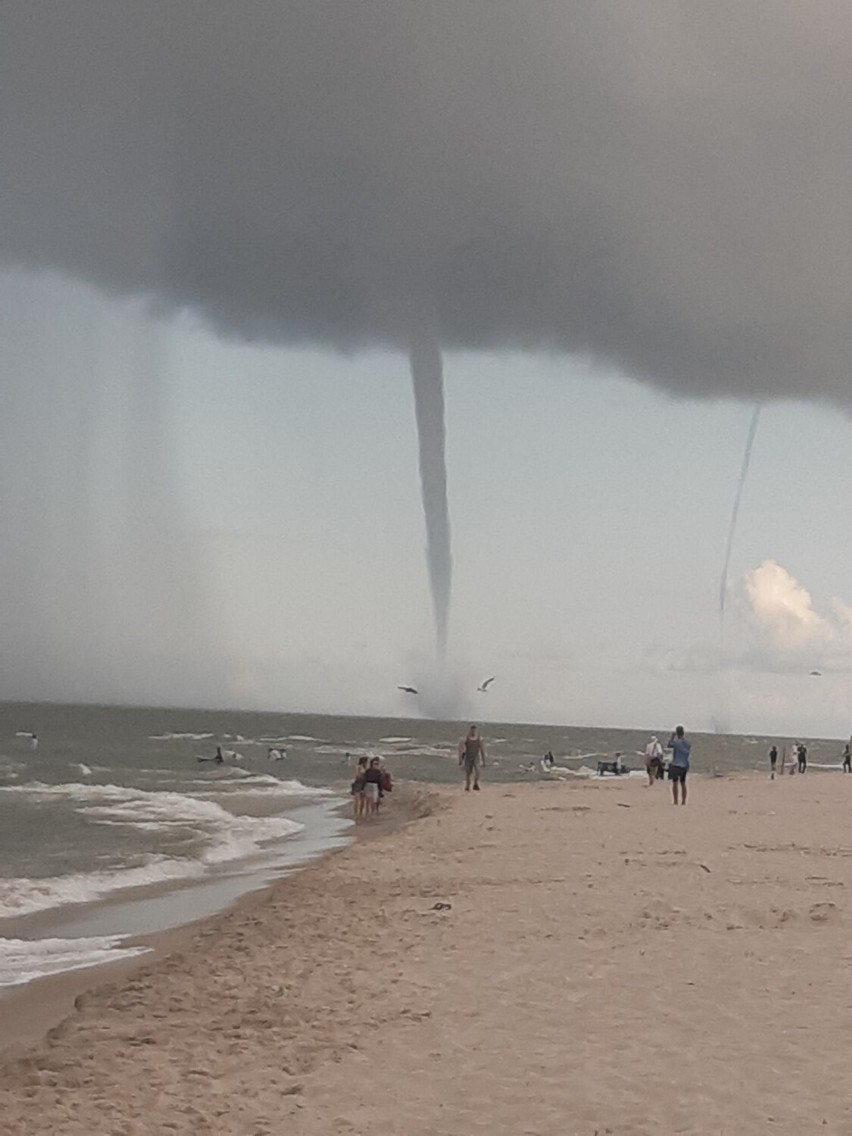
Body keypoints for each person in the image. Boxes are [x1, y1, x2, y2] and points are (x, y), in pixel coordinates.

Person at [666, 725, 691, 805]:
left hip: (676, 764)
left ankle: (676, 801)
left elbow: (669, 745)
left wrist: (672, 736)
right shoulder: (687, 743)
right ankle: (683, 801)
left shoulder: (676, 742)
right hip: (684, 764)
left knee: (675, 783)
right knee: (683, 783)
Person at [458, 725, 486, 791]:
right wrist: (460, 759)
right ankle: (467, 786)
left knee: (478, 771)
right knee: (468, 773)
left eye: (474, 730)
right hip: (468, 757)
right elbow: (461, 749)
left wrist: (484, 760)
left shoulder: (479, 739)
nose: (473, 732)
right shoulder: (466, 738)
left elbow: (482, 750)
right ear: (470, 730)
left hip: (476, 757)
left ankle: (475, 783)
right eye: (472, 730)